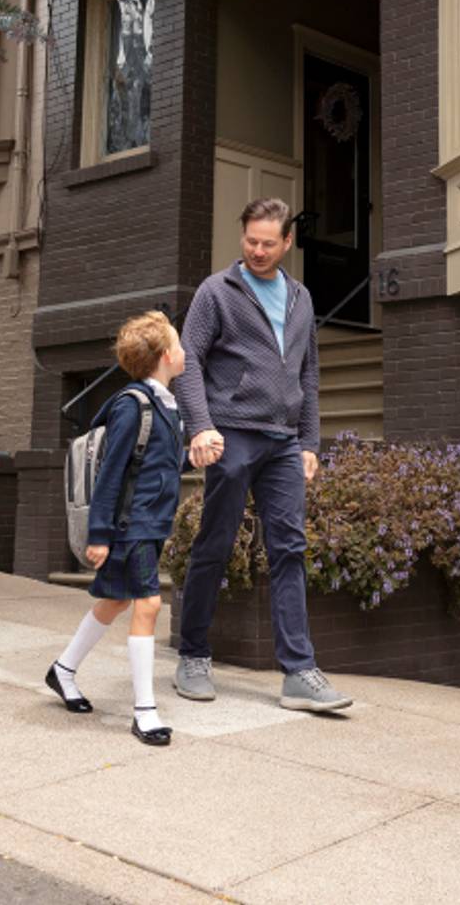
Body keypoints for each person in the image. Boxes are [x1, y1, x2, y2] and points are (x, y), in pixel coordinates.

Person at [171, 198, 353, 713]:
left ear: (287, 242)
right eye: (251, 240)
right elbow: (188, 361)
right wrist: (200, 426)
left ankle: (299, 672)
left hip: (283, 441)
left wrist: (310, 442)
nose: (257, 250)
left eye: (268, 243)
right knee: (216, 542)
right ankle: (193, 655)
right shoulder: (216, 291)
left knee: (290, 548)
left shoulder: (301, 298)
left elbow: (309, 373)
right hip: (231, 433)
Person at [45, 311, 188, 746]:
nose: (184, 351)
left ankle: (62, 670)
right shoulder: (133, 405)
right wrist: (99, 534)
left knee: (116, 601)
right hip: (132, 523)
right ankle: (145, 711)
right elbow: (110, 474)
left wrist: (195, 456)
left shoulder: (166, 404)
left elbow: (159, 463)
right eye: (178, 344)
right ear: (165, 356)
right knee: (148, 604)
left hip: (151, 520)